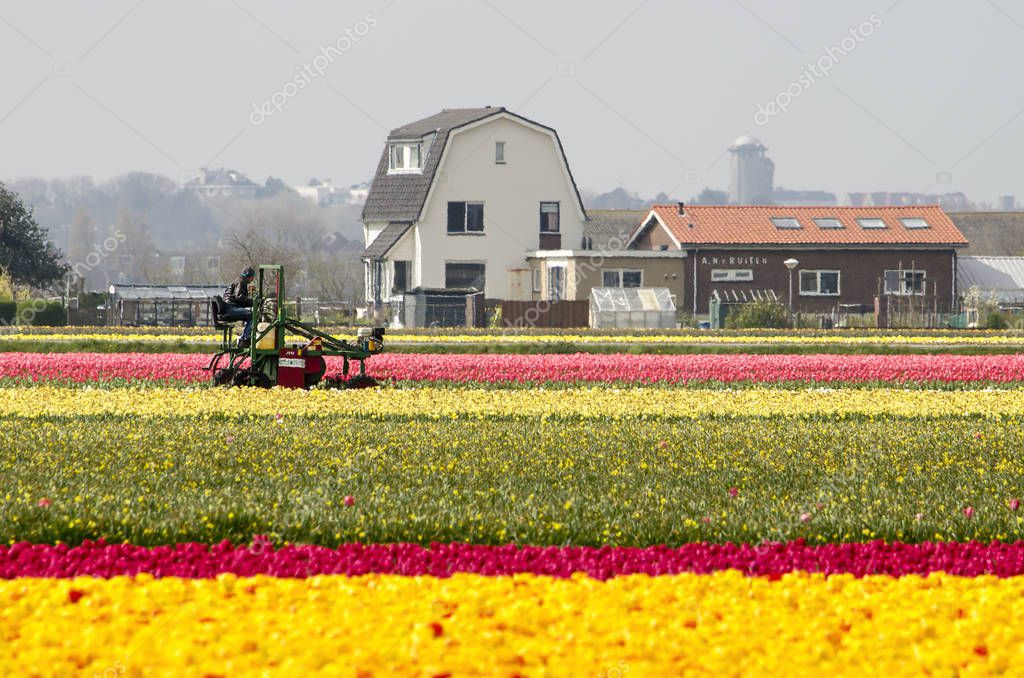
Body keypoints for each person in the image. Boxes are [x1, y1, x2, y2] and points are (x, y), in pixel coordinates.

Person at [221, 266, 255, 347]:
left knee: (250, 314)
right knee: (253, 316)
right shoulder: (241, 282)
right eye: (253, 276)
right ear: (249, 276)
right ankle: (245, 339)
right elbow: (239, 297)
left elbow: (241, 300)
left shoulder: (240, 281)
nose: (253, 279)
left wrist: (251, 302)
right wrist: (253, 301)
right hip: (230, 308)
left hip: (229, 307)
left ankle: (244, 337)